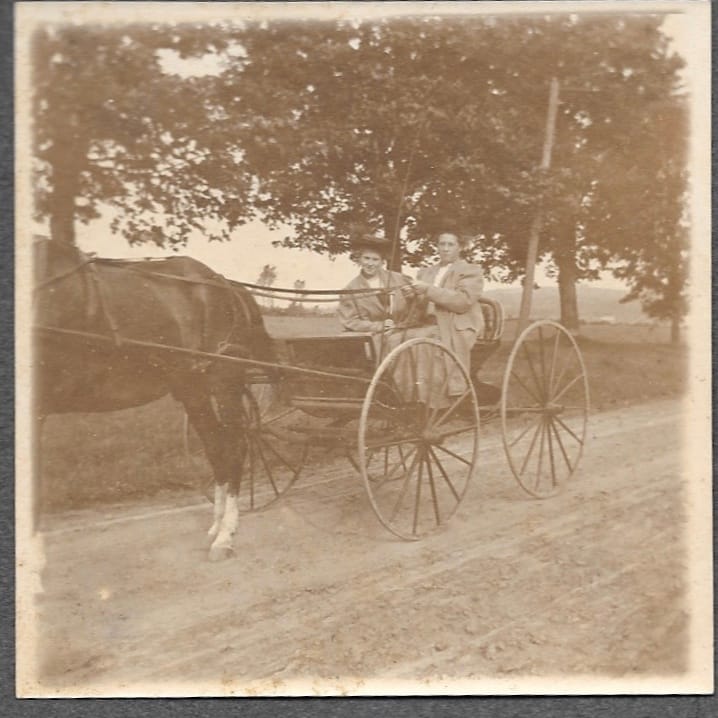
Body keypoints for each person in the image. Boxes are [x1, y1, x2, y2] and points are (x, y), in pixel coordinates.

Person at [396, 231, 485, 401]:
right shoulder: (426, 273)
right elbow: (423, 304)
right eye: (441, 244)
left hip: (457, 323)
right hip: (430, 323)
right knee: (397, 339)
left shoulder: (470, 270)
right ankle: (406, 395)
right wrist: (412, 296)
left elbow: (462, 302)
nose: (445, 249)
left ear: (460, 247)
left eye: (450, 244)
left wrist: (428, 290)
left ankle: (434, 400)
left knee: (422, 341)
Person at [338, 236, 413, 336]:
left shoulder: (399, 279)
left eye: (375, 259)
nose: (370, 263)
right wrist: (380, 326)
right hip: (374, 338)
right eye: (366, 258)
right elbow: (351, 321)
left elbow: (417, 305)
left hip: (404, 336)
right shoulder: (350, 290)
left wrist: (412, 296)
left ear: (382, 261)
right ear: (359, 259)